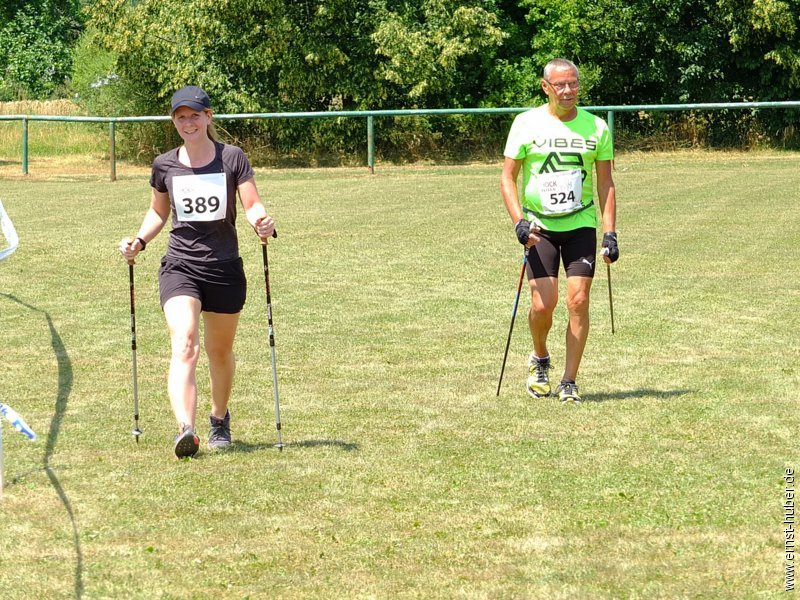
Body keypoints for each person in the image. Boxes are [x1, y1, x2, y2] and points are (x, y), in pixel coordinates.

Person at [119, 85, 276, 457]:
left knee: (219, 352)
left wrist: (261, 223)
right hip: (180, 265)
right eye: (180, 116)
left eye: (194, 115)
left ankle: (219, 418)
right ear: (174, 122)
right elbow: (158, 212)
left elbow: (251, 204)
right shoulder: (164, 164)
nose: (188, 122)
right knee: (184, 343)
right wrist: (138, 241)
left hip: (224, 267)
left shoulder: (232, 158)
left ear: (208, 117)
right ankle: (185, 430)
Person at [500, 58, 619, 404]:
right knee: (543, 304)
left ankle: (569, 380)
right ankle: (540, 358)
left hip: (581, 222)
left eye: (573, 84)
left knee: (578, 300)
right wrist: (518, 222)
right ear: (545, 87)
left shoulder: (596, 128)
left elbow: (606, 183)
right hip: (540, 226)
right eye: (560, 85)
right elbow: (507, 177)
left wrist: (610, 232)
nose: (568, 91)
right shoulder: (526, 124)